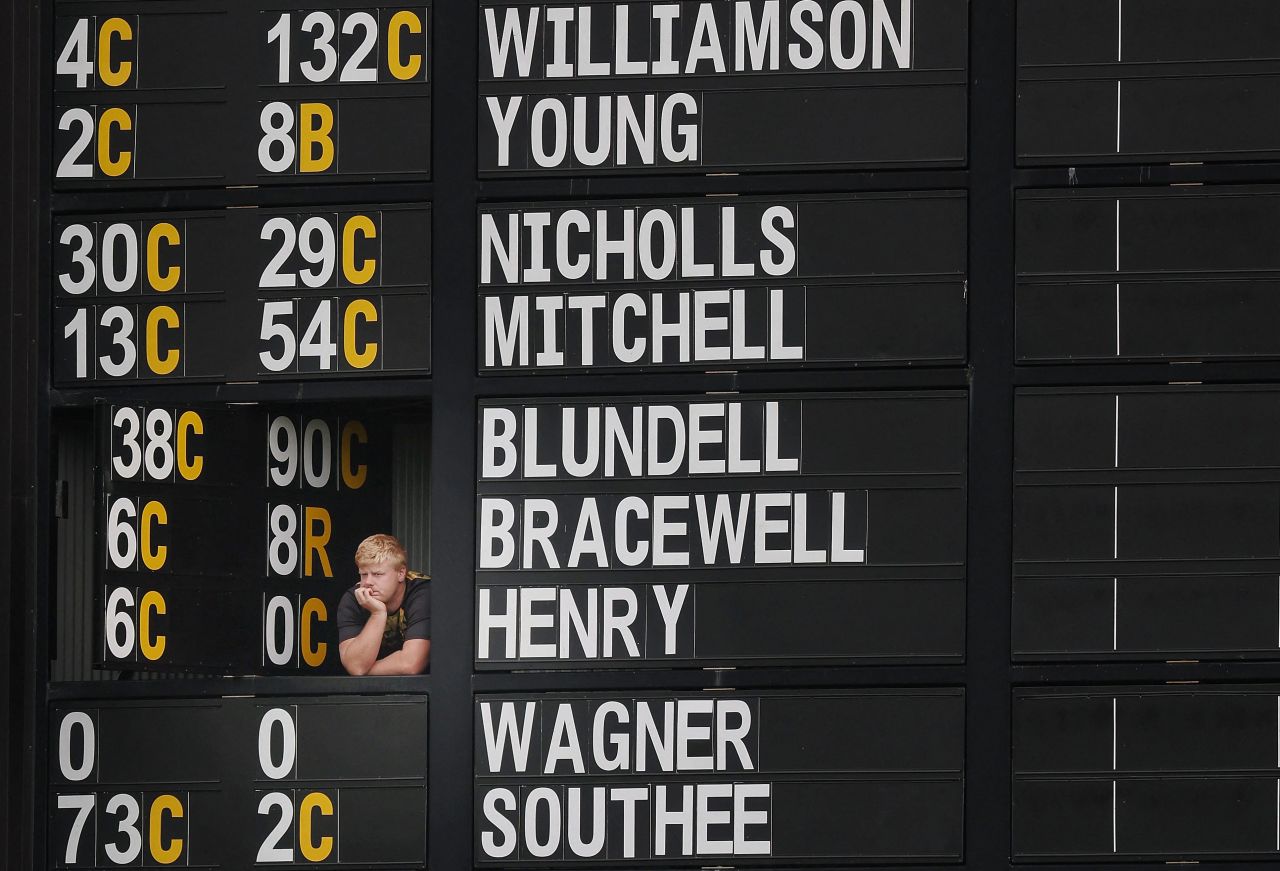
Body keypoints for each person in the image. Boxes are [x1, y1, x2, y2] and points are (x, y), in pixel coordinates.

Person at [337, 534, 430, 675]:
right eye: (363, 574)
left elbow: (411, 664)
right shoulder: (353, 598)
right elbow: (355, 666)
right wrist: (377, 614)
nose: (368, 582)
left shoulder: (423, 593)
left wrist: (365, 671)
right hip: (375, 692)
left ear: (401, 573)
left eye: (377, 574)